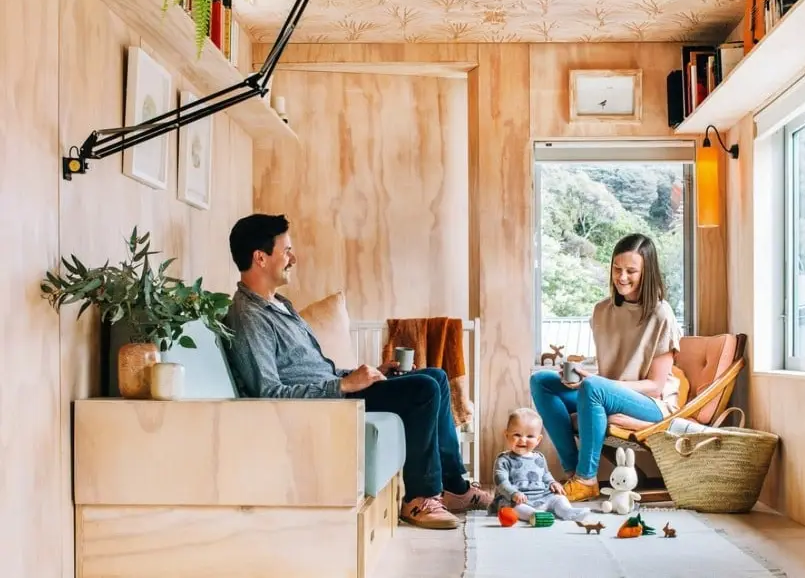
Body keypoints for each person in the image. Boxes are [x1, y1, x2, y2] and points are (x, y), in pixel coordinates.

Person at [223, 213, 491, 529]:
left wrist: (366, 373)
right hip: (325, 405)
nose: (293, 259)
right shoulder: (249, 317)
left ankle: (454, 488)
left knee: (437, 377)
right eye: (287, 251)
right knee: (424, 390)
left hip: (335, 392)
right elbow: (268, 392)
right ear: (260, 258)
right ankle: (419, 499)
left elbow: (314, 370)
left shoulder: (281, 305)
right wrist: (343, 386)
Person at [530, 233, 682, 502]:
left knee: (593, 387)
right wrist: (583, 379)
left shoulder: (661, 314)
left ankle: (586, 478)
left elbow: (656, 386)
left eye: (631, 271)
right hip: (605, 394)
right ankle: (573, 472)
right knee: (541, 381)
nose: (622, 277)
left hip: (652, 404)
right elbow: (610, 372)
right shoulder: (602, 310)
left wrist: (598, 384)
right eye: (617, 269)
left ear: (647, 273)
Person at [488, 407, 589, 522]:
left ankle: (567, 511)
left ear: (538, 440)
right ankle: (534, 515)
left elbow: (545, 474)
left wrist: (552, 482)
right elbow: (501, 482)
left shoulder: (539, 457)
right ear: (507, 435)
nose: (523, 440)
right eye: (517, 435)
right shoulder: (504, 460)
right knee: (513, 506)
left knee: (559, 498)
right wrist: (513, 493)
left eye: (530, 436)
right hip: (517, 497)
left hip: (541, 495)